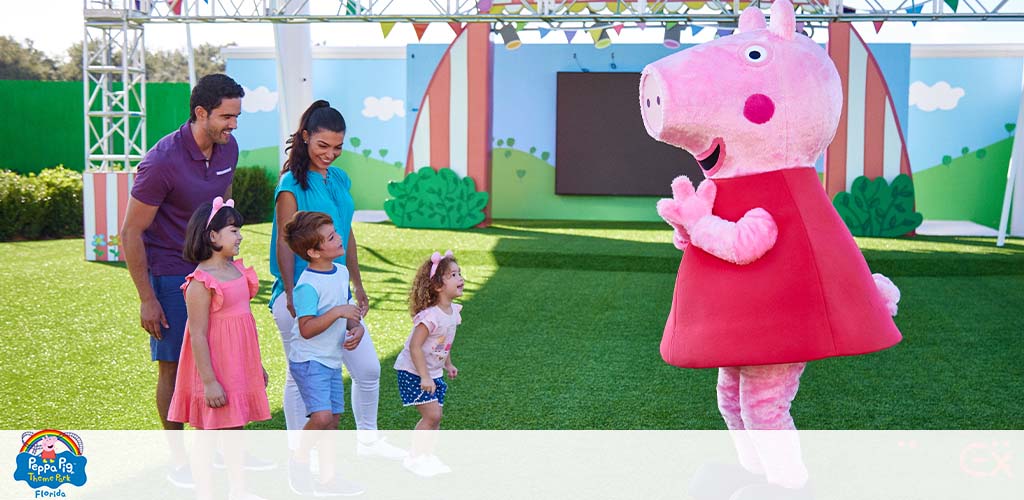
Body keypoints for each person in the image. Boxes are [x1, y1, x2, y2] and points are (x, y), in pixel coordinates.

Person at [120, 73, 245, 485]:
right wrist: (146, 298)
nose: (234, 125)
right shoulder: (161, 161)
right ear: (200, 113)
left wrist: (228, 261)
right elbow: (130, 232)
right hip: (171, 273)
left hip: (213, 270)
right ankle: (178, 461)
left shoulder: (230, 149)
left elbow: (221, 210)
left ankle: (215, 453)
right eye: (227, 116)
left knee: (221, 361)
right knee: (173, 369)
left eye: (237, 116)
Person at [269, 100, 403, 458]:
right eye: (322, 146)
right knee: (301, 379)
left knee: (368, 368)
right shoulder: (290, 184)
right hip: (302, 295)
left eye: (338, 147)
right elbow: (284, 242)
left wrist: (357, 285)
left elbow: (347, 234)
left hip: (337, 292)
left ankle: (368, 441)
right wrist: (293, 296)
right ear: (305, 138)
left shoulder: (340, 179)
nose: (330, 154)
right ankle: (301, 452)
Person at [167, 197, 271, 500]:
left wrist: (256, 366)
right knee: (208, 436)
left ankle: (239, 491)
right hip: (212, 369)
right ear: (212, 236)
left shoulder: (238, 272)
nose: (239, 236)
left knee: (235, 431)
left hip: (238, 364)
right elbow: (197, 335)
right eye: (233, 230)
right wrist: (210, 381)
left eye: (239, 230)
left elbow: (244, 325)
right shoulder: (201, 281)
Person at [281, 211, 366, 497]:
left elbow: (346, 308)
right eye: (331, 237)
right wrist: (337, 313)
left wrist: (355, 327)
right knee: (321, 417)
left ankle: (328, 480)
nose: (339, 237)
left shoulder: (340, 273)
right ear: (314, 252)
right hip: (308, 360)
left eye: (335, 233)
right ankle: (298, 460)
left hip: (330, 359)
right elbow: (306, 328)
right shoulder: (306, 286)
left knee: (332, 421)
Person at [394, 250, 464, 477]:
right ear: (437, 286)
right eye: (453, 275)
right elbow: (415, 347)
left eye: (459, 273)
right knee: (432, 416)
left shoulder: (454, 312)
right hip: (413, 371)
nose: (460, 278)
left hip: (433, 372)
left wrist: (448, 364)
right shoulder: (430, 317)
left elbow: (444, 343)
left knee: (436, 418)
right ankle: (413, 458)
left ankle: (427, 455)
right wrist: (424, 376)